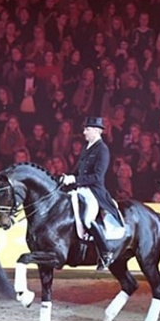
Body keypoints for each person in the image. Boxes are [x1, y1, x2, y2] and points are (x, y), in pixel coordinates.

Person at [61, 116, 122, 270]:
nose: (84, 132)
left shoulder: (102, 150)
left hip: (93, 191)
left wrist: (74, 179)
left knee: (88, 219)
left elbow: (97, 176)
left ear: (96, 131)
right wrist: (66, 178)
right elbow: (78, 169)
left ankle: (106, 252)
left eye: (87, 129)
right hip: (80, 188)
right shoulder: (87, 147)